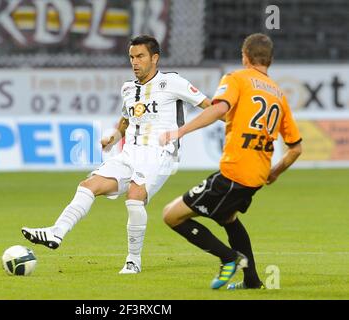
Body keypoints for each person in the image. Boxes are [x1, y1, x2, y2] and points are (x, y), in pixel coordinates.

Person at [22, 35, 211, 274]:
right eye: (131, 57)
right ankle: (56, 232)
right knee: (89, 185)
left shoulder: (173, 82)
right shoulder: (128, 88)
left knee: (134, 196)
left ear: (155, 58)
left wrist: (181, 132)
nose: (134, 62)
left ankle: (133, 260)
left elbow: (212, 107)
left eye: (140, 56)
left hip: (160, 153)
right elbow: (126, 120)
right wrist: (112, 136)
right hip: (129, 153)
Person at [159, 33, 302, 289]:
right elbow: (296, 148)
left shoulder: (237, 78)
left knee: (171, 216)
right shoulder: (279, 95)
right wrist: (276, 172)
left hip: (234, 173)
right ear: (269, 60)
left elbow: (219, 109)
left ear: (245, 56)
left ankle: (228, 258)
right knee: (228, 218)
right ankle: (252, 281)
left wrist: (179, 131)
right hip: (256, 176)